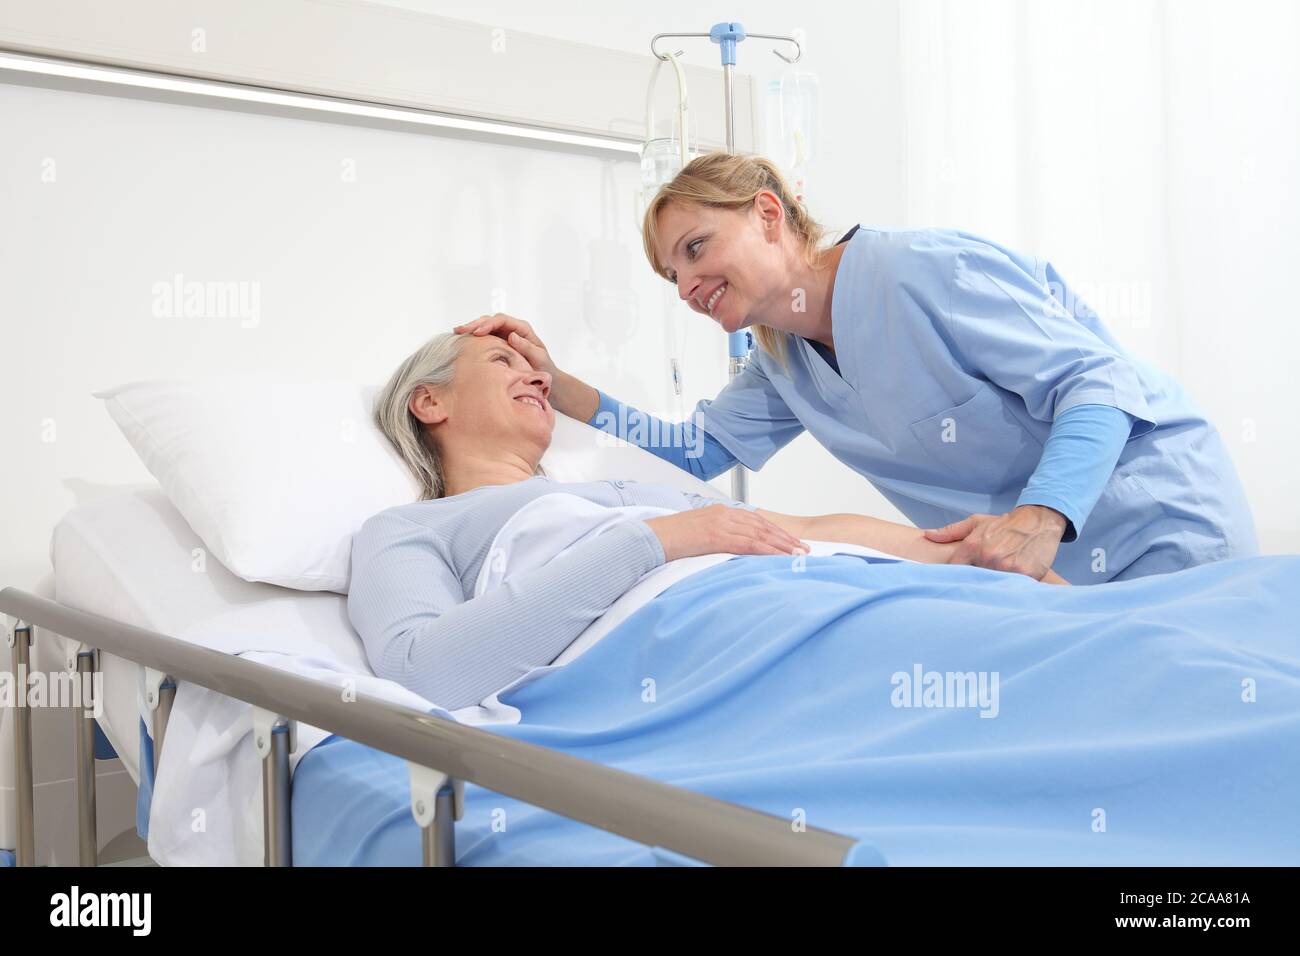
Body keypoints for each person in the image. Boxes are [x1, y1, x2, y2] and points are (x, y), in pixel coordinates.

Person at [454, 151, 1259, 585]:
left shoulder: (919, 273)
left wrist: (1039, 516)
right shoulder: (782, 361)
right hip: (1042, 573)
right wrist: (559, 387)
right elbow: (700, 452)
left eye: (696, 250)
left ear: (769, 214)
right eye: (673, 277)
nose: (689, 287)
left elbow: (1098, 383)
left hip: (1154, 516)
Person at [348, 330, 1062, 710]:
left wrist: (962, 551)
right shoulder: (409, 530)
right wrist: (657, 540)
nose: (535, 375)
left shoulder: (618, 492)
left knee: (1027, 621)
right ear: (428, 403)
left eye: (533, 366)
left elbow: (804, 527)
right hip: (707, 629)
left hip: (799, 590)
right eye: (503, 360)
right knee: (1005, 668)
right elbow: (427, 672)